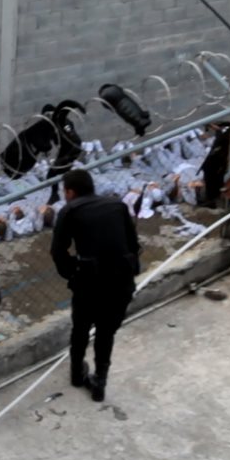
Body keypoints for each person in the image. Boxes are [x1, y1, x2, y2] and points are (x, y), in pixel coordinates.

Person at [50, 169, 141, 402]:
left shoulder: (69, 211)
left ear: (70, 192)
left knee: (80, 328)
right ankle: (100, 380)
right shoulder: (117, 206)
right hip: (120, 281)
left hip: (89, 283)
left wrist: (72, 272)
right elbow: (133, 244)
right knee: (106, 332)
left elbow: (58, 251)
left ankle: (76, 373)